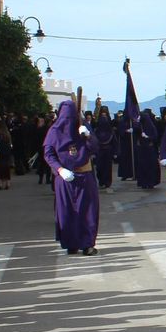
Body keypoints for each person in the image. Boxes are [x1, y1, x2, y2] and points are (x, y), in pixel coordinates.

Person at [43, 101, 99, 256]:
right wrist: (59, 170)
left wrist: (88, 136)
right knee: (66, 212)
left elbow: (95, 147)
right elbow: (48, 153)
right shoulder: (54, 131)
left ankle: (87, 243)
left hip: (85, 176)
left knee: (87, 211)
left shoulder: (83, 128)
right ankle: (71, 243)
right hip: (65, 178)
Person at [134, 109, 162, 190]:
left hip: (150, 149)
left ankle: (150, 182)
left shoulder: (151, 126)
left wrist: (148, 137)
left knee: (150, 167)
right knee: (142, 166)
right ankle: (143, 182)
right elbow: (136, 132)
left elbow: (155, 136)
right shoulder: (140, 126)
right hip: (141, 149)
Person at [91, 107, 117, 190]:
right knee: (99, 167)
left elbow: (114, 142)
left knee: (107, 167)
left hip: (108, 151)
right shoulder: (96, 131)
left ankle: (107, 182)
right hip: (99, 151)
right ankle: (101, 181)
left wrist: (115, 152)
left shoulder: (110, 131)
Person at [0, 115, 14, 190]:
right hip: (7, 151)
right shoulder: (7, 133)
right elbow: (10, 143)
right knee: (6, 166)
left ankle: (0, 182)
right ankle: (7, 182)